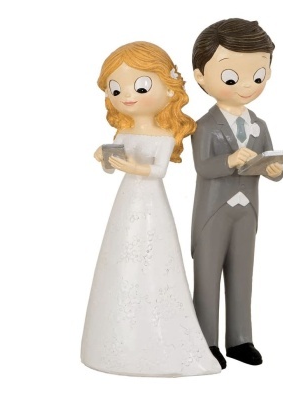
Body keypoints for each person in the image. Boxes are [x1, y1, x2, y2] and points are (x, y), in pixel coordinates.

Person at [81, 41, 221, 377]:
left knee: (155, 256)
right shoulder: (123, 130)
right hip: (126, 201)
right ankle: (114, 341)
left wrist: (129, 166)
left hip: (150, 201)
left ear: (169, 89)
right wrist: (105, 158)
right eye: (116, 89)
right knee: (121, 257)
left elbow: (157, 171)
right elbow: (112, 167)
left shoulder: (163, 135)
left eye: (141, 86)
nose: (127, 95)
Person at [191, 18, 283, 369]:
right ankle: (205, 340)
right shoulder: (204, 126)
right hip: (213, 212)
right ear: (201, 76)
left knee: (242, 276)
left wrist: (274, 170)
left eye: (258, 76)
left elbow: (270, 161)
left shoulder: (259, 125)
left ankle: (240, 338)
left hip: (247, 213)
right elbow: (203, 167)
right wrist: (229, 160)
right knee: (207, 276)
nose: (247, 86)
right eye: (231, 77)